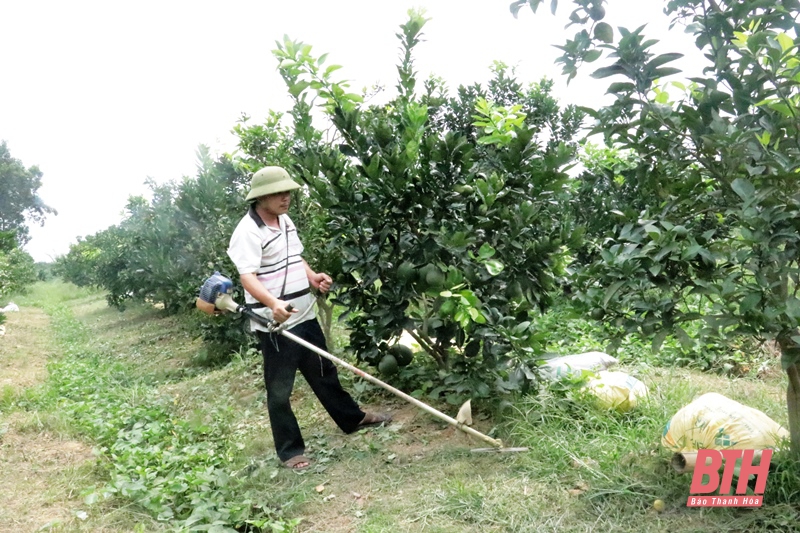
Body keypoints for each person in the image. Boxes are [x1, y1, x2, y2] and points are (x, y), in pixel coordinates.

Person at [227, 166, 391, 469]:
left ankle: (352, 419)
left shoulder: (284, 221)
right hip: (276, 324)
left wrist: (313, 277)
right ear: (261, 196)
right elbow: (247, 277)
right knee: (280, 389)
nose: (285, 197)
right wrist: (273, 303)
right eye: (278, 193)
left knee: (323, 371)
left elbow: (293, 257)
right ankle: (290, 451)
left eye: (287, 191)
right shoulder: (247, 232)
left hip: (304, 313)